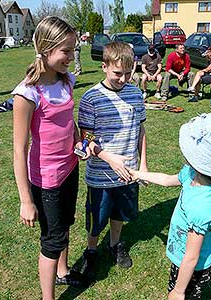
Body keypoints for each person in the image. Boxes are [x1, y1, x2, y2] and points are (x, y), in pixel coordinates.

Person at [12, 16, 87, 300]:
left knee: (66, 223)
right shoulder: (27, 93)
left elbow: (70, 122)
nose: (71, 56)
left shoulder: (67, 80)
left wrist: (78, 140)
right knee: (53, 239)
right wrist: (25, 200)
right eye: (66, 51)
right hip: (46, 181)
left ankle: (63, 272)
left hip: (70, 168)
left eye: (73, 49)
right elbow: (19, 150)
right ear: (45, 48)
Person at [78, 41, 147, 283]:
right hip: (100, 175)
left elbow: (140, 129)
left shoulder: (136, 93)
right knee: (97, 217)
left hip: (128, 171)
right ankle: (91, 250)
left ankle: (115, 244)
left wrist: (144, 165)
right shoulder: (90, 98)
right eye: (118, 73)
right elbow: (85, 137)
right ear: (104, 66)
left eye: (128, 73)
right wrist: (106, 157)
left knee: (119, 213)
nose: (123, 78)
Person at [124, 113, 211, 300]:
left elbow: (191, 256)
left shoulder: (202, 208)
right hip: (182, 259)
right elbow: (167, 180)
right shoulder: (192, 174)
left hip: (194, 268)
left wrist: (179, 291)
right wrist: (138, 174)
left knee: (184, 295)